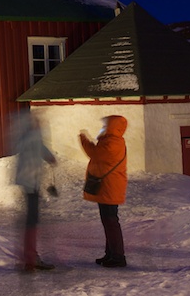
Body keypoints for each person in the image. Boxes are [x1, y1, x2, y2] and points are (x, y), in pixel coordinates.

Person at [10, 110, 57, 271]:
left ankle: (30, 256)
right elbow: (30, 146)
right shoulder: (29, 136)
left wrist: (49, 156)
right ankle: (30, 258)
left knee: (32, 219)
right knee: (31, 220)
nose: (40, 123)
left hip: (31, 181)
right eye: (37, 121)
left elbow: (39, 148)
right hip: (29, 181)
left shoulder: (30, 136)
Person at [79, 114, 128, 268]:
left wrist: (84, 139)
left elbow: (94, 153)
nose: (104, 127)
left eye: (107, 125)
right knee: (108, 221)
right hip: (107, 187)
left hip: (110, 187)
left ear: (113, 127)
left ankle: (118, 256)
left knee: (111, 221)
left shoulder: (113, 143)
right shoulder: (110, 141)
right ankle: (111, 254)